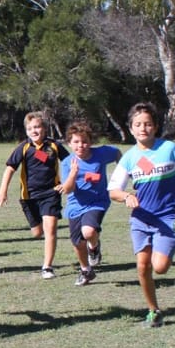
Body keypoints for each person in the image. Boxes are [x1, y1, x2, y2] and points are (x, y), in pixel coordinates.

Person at [107, 101, 175, 327]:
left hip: (168, 217)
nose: (143, 128)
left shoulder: (170, 149)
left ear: (155, 126)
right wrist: (126, 196)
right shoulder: (129, 158)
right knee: (142, 266)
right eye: (138, 124)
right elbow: (113, 190)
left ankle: (167, 247)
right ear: (131, 128)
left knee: (160, 267)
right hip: (141, 218)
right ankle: (153, 311)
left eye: (148, 124)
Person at [0, 111, 69, 279]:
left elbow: (70, 163)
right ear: (26, 131)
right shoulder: (24, 147)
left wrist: (68, 182)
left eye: (37, 127)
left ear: (45, 129)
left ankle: (47, 267)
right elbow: (10, 168)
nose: (34, 131)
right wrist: (3, 191)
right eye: (30, 128)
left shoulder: (54, 146)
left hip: (51, 193)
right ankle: (41, 238)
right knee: (37, 233)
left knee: (51, 229)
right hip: (29, 196)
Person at [56, 121, 122, 286]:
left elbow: (117, 153)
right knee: (78, 243)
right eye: (76, 142)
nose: (81, 145)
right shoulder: (67, 163)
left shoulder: (101, 153)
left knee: (88, 231)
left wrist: (121, 174)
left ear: (91, 142)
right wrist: (72, 174)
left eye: (84, 141)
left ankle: (94, 247)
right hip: (75, 206)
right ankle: (86, 270)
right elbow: (68, 189)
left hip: (97, 202)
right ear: (69, 143)